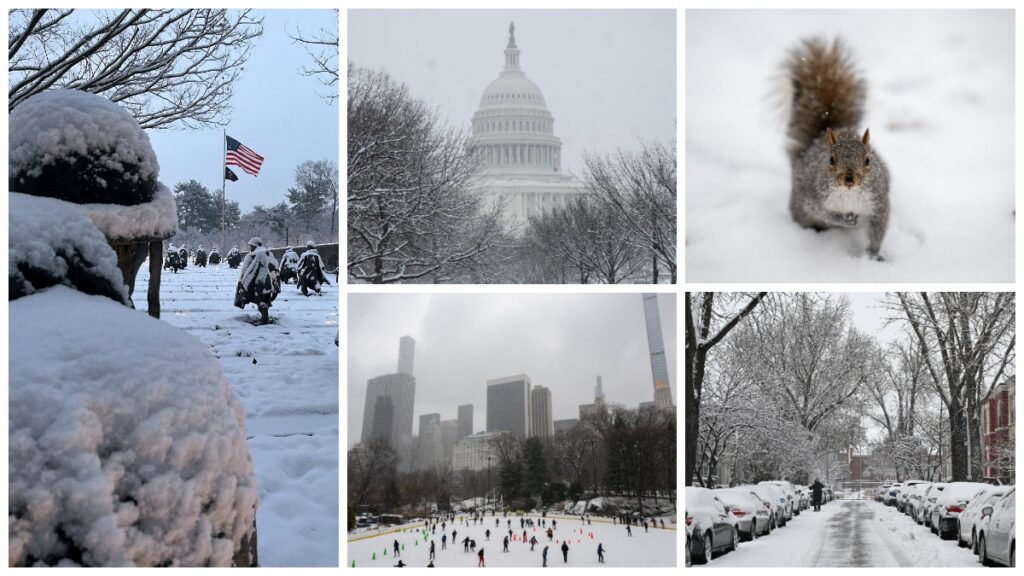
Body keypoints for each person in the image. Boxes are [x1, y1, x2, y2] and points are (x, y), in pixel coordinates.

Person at [233, 237, 280, 325]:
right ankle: (264, 317)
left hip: (258, 282)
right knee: (265, 298)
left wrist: (241, 283)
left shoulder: (251, 256)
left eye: (251, 246)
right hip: (268, 282)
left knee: (258, 299)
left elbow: (245, 271)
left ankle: (264, 319)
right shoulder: (269, 253)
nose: (250, 248)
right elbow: (275, 267)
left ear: (254, 246)